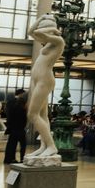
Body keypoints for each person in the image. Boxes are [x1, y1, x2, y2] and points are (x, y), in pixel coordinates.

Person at [25, 14, 64, 160]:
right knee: (42, 115)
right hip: (38, 80)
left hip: (44, 80)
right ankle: (44, 146)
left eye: (47, 30)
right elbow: (31, 32)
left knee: (32, 114)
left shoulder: (58, 41)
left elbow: (39, 33)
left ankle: (52, 146)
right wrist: (41, 19)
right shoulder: (48, 43)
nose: (43, 33)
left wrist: (50, 28)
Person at [3, 89, 28, 164]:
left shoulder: (10, 102)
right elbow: (23, 116)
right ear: (21, 94)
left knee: (11, 144)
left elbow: (8, 114)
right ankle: (22, 159)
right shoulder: (22, 104)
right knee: (22, 145)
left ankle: (9, 159)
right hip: (19, 127)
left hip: (12, 127)